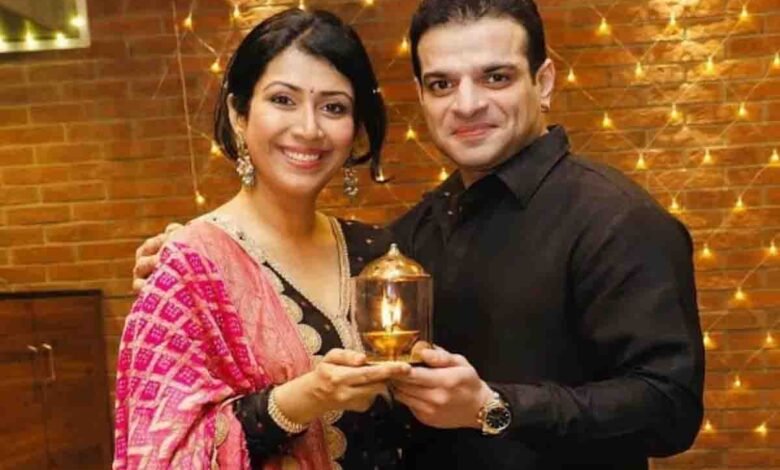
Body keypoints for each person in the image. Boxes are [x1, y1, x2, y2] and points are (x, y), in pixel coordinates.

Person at [133, 1, 705, 469]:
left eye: (496, 77)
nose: (468, 104)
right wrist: (201, 255)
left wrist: (495, 407)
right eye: (441, 83)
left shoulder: (616, 219)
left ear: (544, 81)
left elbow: (671, 409)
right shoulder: (402, 241)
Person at [114, 9, 411, 470]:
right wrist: (304, 398)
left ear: (356, 131)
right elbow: (160, 453)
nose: (309, 128)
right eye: (283, 100)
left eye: (334, 107)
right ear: (239, 114)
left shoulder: (378, 252)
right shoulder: (191, 267)